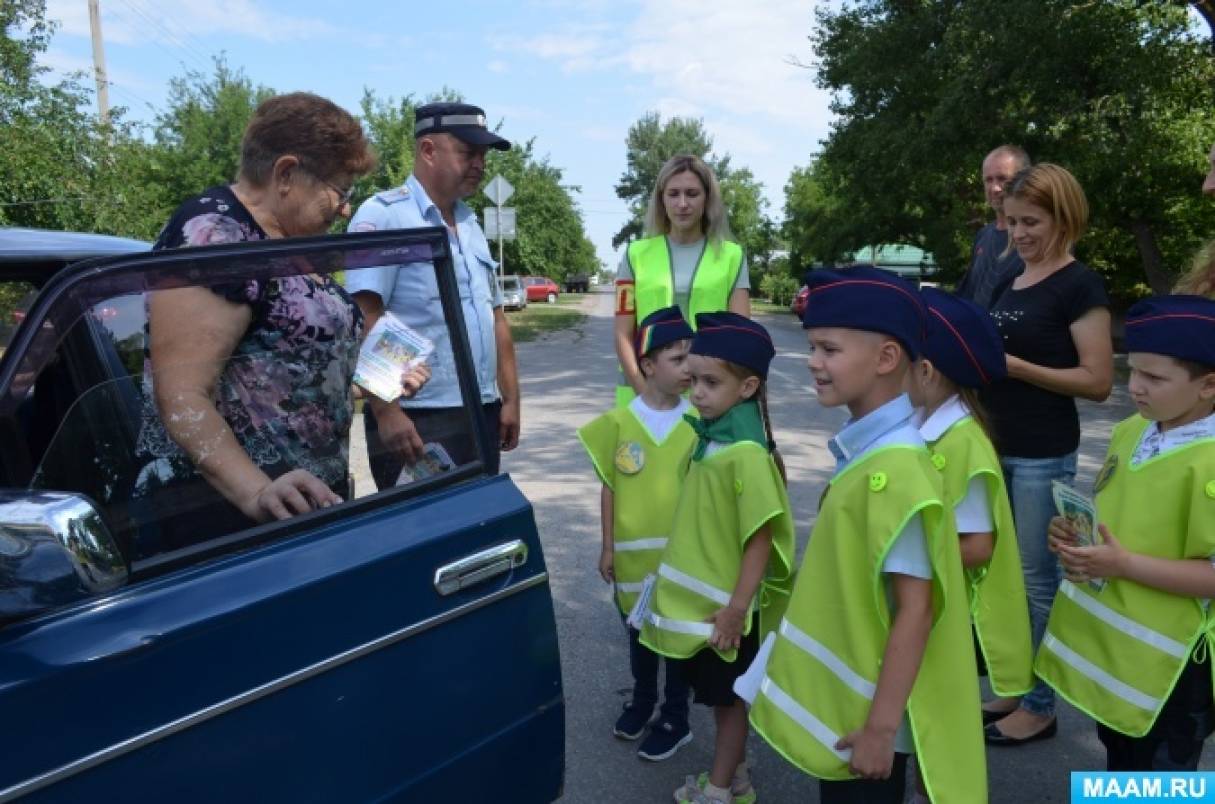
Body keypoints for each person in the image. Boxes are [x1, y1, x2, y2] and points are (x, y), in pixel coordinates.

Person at [133, 92, 426, 555]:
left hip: (298, 507)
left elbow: (283, 375)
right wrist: (256, 492)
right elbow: (182, 396)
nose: (346, 208)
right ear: (287, 173)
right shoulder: (216, 237)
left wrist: (383, 381)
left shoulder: (286, 244)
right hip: (230, 521)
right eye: (340, 190)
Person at [745, 266, 986, 804]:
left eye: (828, 349)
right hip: (855, 700)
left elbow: (916, 609)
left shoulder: (897, 470)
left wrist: (880, 731)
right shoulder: (870, 452)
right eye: (812, 347)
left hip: (871, 720)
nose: (812, 362)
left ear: (886, 359)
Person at [1037, 295, 1215, 771]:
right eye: (1132, 370)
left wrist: (1123, 564)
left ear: (1208, 385)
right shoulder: (1133, 429)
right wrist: (1073, 530)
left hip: (1173, 670)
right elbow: (1116, 512)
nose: (1134, 387)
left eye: (1154, 378)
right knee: (1120, 763)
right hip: (1115, 655)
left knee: (1163, 781)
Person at [980, 163, 1114, 745]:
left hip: (1041, 455)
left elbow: (1098, 380)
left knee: (1038, 583)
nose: (1019, 234)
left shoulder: (1079, 284)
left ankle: (1041, 705)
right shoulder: (1015, 277)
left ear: (1065, 217)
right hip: (995, 449)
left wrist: (1015, 368)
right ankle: (1014, 685)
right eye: (1011, 222)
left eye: (1031, 221)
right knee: (1004, 577)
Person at [638, 312, 794, 804]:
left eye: (710, 382)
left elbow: (760, 539)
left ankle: (722, 791)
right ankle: (737, 776)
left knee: (728, 704)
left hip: (726, 612)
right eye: (693, 379)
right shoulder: (712, 439)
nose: (696, 391)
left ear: (748, 387)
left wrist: (736, 609)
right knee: (716, 699)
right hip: (705, 609)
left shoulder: (745, 453)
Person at [345, 102, 519, 484]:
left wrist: (510, 399)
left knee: (479, 531)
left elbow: (496, 319)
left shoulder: (471, 224)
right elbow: (365, 318)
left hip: (481, 409)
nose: (479, 164)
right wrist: (387, 411)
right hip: (419, 417)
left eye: (483, 155)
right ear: (428, 150)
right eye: (467, 152)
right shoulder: (384, 216)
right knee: (423, 534)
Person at [576, 306, 698, 761]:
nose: (689, 368)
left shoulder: (699, 423)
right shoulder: (620, 422)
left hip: (683, 557)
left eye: (692, 357)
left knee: (679, 636)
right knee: (639, 632)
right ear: (648, 365)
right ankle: (643, 700)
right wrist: (608, 546)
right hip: (633, 558)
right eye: (678, 358)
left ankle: (676, 715)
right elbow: (610, 486)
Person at [909, 288, 1034, 703]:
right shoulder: (920, 423)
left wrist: (901, 562)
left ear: (925, 371)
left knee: (929, 720)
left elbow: (978, 547)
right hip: (923, 596)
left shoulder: (962, 443)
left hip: (941, 607)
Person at [614, 155, 750, 407]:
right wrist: (646, 394)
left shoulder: (732, 256)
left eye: (692, 193)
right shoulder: (635, 254)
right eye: (673, 194)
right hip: (642, 392)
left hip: (709, 396)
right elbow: (623, 334)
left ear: (707, 199)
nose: (682, 203)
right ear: (661, 199)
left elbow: (739, 338)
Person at [955, 145, 1032, 309]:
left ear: (1025, 181)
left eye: (1003, 179)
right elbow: (968, 294)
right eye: (988, 180)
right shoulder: (983, 235)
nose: (994, 188)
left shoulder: (1038, 236)